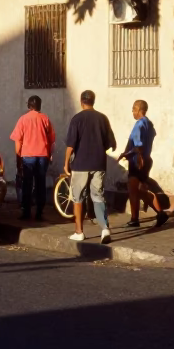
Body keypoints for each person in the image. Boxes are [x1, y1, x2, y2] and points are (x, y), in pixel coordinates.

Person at [63, 90, 116, 244]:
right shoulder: (102, 118)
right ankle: (105, 228)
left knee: (77, 198)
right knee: (98, 196)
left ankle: (79, 232)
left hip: (80, 165)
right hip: (99, 164)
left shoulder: (77, 119)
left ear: (81, 101)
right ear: (93, 101)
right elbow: (111, 144)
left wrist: (66, 163)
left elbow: (70, 145)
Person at [120, 100, 168, 229]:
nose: (132, 112)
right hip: (145, 159)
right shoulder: (149, 124)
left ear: (138, 109)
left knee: (134, 190)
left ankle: (138, 218)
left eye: (133, 109)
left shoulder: (139, 124)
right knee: (139, 190)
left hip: (137, 161)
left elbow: (138, 144)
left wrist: (136, 155)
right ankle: (153, 215)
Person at [9, 95, 55, 221]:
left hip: (27, 156)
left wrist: (18, 160)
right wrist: (49, 154)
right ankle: (39, 212)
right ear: (39, 105)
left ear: (29, 106)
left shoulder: (23, 119)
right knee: (41, 184)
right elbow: (51, 140)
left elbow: (18, 142)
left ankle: (26, 212)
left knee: (27, 184)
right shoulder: (45, 119)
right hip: (42, 156)